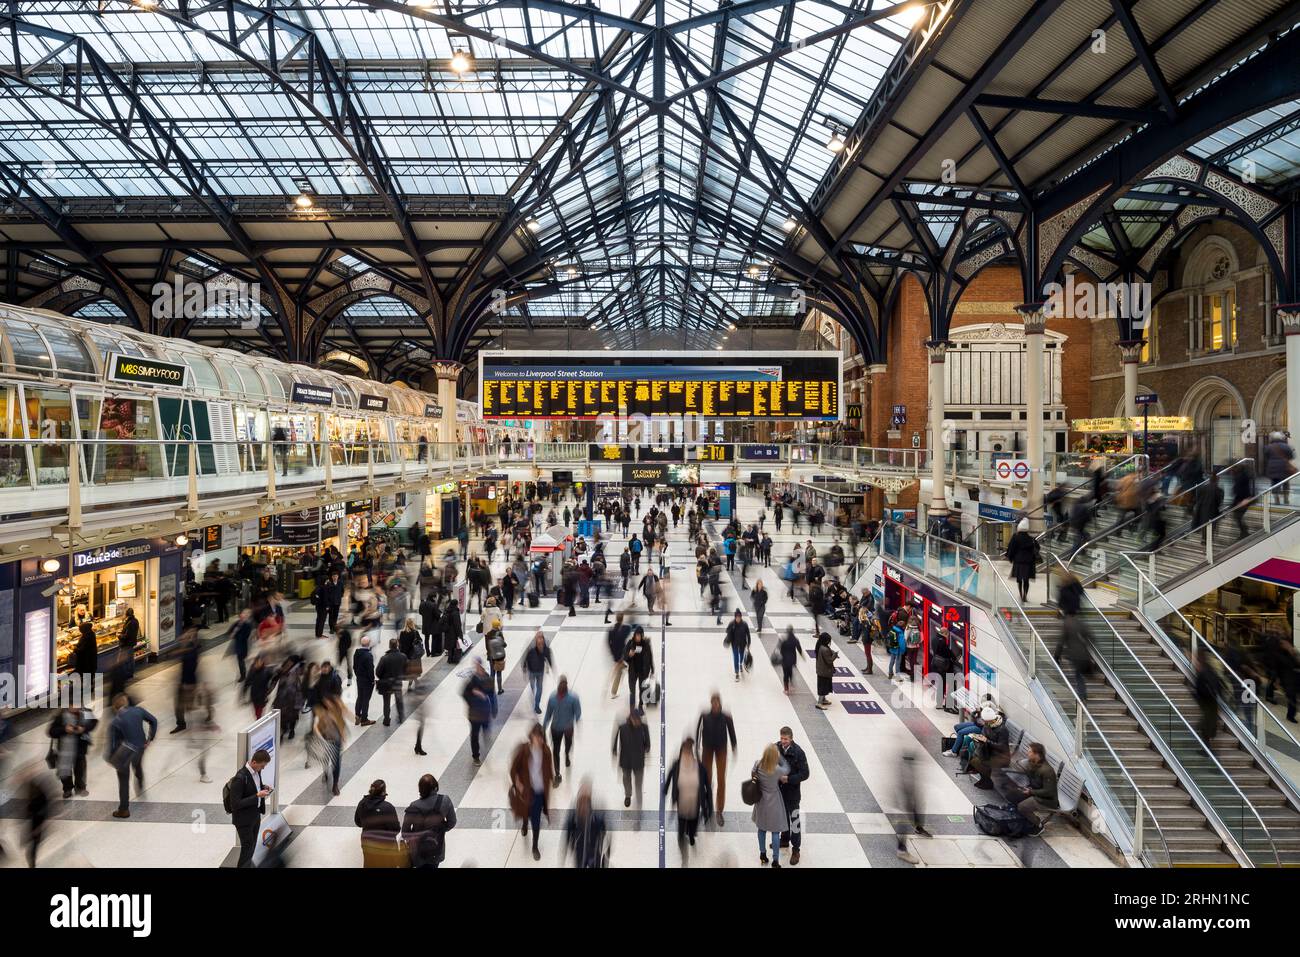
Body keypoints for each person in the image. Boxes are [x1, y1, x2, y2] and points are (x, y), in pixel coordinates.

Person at [107, 693, 158, 819]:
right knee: (138, 765)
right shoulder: (138, 711)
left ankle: (124, 810)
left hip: (124, 753)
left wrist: (111, 759)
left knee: (123, 780)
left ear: (114, 707)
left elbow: (112, 745)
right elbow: (154, 721)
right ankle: (140, 783)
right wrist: (149, 738)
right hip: (140, 747)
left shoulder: (115, 722)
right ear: (126, 703)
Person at [663, 737, 711, 866]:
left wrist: (709, 807)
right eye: (684, 752)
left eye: (688, 752)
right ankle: (685, 858)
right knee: (680, 834)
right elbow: (669, 777)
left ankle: (691, 835)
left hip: (695, 804)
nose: (686, 755)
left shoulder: (699, 767)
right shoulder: (676, 765)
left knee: (692, 828)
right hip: (682, 804)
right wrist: (666, 790)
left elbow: (707, 786)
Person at [509, 723, 554, 862]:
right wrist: (518, 784)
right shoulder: (524, 750)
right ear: (531, 736)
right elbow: (513, 770)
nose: (538, 740)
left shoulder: (546, 751)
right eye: (536, 737)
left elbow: (549, 770)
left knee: (536, 819)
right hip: (527, 790)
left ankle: (534, 846)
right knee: (525, 811)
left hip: (539, 792)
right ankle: (524, 823)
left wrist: (551, 782)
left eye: (541, 737)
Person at [696, 693, 737, 826]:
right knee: (707, 780)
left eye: (717, 704)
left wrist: (734, 747)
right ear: (711, 704)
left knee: (721, 780)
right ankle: (707, 808)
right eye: (713, 704)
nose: (715, 706)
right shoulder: (704, 716)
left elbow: (732, 732)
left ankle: (719, 810)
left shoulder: (726, 717)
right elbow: (698, 732)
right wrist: (696, 747)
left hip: (721, 750)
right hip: (707, 749)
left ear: (720, 704)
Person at [228, 748, 272, 867]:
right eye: (262, 766)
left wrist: (263, 787)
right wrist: (257, 795)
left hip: (255, 815)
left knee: (252, 846)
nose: (263, 769)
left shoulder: (257, 772)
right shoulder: (240, 778)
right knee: (247, 848)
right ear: (254, 763)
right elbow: (235, 804)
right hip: (243, 820)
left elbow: (255, 787)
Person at [402, 773, 457, 869]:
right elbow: (452, 822)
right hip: (437, 847)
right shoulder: (445, 800)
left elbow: (405, 833)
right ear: (436, 787)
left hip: (418, 852)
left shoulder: (413, 806)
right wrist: (440, 829)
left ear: (420, 789)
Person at [1004, 742, 1057, 836]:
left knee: (1022, 807)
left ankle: (1038, 825)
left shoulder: (1047, 770)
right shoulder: (1032, 763)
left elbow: (1049, 792)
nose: (1027, 753)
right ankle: (1022, 818)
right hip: (1035, 792)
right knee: (1011, 794)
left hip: (1047, 800)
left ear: (1037, 754)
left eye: (1029, 752)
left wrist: (1031, 791)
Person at [750, 743, 789, 867]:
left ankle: (762, 855)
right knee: (775, 832)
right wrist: (780, 758)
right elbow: (787, 768)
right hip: (774, 802)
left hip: (761, 801)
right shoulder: (776, 769)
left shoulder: (758, 764)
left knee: (761, 829)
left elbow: (753, 774)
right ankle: (775, 861)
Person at [777, 726, 810, 864]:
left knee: (795, 821)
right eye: (781, 738)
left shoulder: (799, 753)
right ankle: (784, 840)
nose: (783, 741)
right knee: (783, 817)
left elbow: (805, 774)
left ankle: (796, 850)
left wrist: (789, 779)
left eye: (785, 739)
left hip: (793, 793)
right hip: (779, 792)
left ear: (791, 738)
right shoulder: (776, 748)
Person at [49, 704, 96, 799]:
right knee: (65, 770)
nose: (75, 707)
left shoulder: (86, 712)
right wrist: (64, 729)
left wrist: (84, 728)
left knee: (80, 768)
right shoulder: (61, 715)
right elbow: (51, 731)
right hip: (64, 749)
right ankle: (67, 789)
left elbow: (94, 723)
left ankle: (80, 787)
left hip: (80, 747)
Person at [543, 676, 582, 785]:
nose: (562, 687)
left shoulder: (573, 698)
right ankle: (557, 773)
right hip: (555, 729)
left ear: (567, 686)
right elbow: (548, 714)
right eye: (560, 685)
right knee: (555, 751)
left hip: (568, 729)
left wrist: (577, 722)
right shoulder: (552, 698)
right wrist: (544, 726)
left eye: (564, 685)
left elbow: (578, 712)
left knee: (568, 745)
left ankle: (567, 754)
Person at [612, 708, 650, 818]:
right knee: (626, 778)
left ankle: (639, 803)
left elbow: (647, 741)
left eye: (639, 720)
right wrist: (614, 750)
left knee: (638, 783)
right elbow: (616, 739)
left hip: (638, 761)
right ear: (631, 718)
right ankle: (628, 795)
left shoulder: (644, 728)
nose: (638, 722)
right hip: (626, 760)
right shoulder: (623, 728)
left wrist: (647, 747)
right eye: (636, 720)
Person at [462, 658, 494, 766]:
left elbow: (492, 694)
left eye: (478, 665)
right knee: (474, 736)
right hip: (474, 714)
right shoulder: (472, 681)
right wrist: (474, 697)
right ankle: (476, 756)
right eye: (475, 665)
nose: (476, 667)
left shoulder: (487, 678)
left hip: (485, 712)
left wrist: (494, 708)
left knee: (486, 732)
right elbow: (464, 694)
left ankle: (486, 746)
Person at [375, 637, 408, 727]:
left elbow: (378, 672)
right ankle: (401, 716)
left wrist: (383, 677)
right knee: (399, 699)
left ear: (389, 646)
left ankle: (386, 719)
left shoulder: (384, 658)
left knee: (386, 702)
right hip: (397, 682)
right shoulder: (403, 656)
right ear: (397, 645)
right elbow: (406, 669)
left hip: (387, 683)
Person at [1005, 518, 1039, 604]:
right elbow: (1038, 547)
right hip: (1029, 562)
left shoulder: (1016, 537)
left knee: (1019, 580)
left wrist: (1010, 558)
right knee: (1026, 580)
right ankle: (1025, 596)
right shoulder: (1031, 538)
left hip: (1018, 561)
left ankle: (1020, 595)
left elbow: (1011, 548)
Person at [1194, 645, 1222, 744]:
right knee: (1208, 721)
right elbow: (1218, 683)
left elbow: (1200, 685)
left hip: (1207, 700)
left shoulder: (1203, 670)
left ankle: (1206, 747)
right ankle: (1206, 743)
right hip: (1212, 699)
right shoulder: (1209, 668)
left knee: (1206, 722)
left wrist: (1197, 695)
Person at [624, 626, 654, 711]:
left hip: (643, 671)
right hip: (633, 671)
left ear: (642, 635)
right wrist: (629, 655)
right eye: (636, 635)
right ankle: (632, 706)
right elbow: (624, 657)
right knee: (632, 690)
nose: (637, 637)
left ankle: (640, 705)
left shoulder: (646, 644)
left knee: (642, 689)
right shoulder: (630, 643)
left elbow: (650, 656)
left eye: (639, 635)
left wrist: (652, 669)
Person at [525, 630, 553, 715]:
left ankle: (536, 705)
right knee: (533, 688)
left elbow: (548, 657)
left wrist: (551, 667)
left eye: (541, 638)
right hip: (532, 671)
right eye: (538, 639)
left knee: (539, 689)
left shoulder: (546, 649)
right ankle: (534, 700)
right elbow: (526, 658)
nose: (540, 641)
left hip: (540, 671)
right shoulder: (531, 649)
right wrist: (524, 667)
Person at [352, 634, 376, 726]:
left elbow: (354, 666)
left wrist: (358, 675)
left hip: (359, 679)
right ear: (369, 643)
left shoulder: (357, 653)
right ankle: (364, 719)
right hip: (367, 681)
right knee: (366, 699)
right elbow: (370, 670)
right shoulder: (368, 656)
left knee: (360, 697)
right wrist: (372, 680)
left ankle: (358, 715)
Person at [607, 612, 630, 698]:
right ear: (622, 619)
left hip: (617, 656)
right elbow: (629, 628)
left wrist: (613, 654)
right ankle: (613, 691)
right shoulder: (624, 629)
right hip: (622, 655)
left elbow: (609, 643)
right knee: (618, 672)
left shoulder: (611, 630)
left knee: (619, 671)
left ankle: (613, 691)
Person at [315, 570, 343, 639]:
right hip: (329, 604)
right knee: (328, 617)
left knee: (335, 615)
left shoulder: (340, 583)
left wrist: (339, 597)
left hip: (337, 602)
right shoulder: (327, 585)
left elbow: (342, 591)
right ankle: (330, 629)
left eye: (336, 576)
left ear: (338, 576)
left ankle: (333, 628)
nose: (335, 577)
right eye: (333, 576)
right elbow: (325, 596)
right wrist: (327, 605)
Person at [724, 609, 751, 681]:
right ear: (735, 617)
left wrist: (749, 644)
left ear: (741, 617)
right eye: (737, 617)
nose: (738, 619)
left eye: (739, 617)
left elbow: (748, 635)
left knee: (741, 656)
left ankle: (740, 664)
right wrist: (730, 630)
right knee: (736, 657)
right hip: (734, 644)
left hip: (742, 644)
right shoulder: (732, 624)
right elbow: (727, 630)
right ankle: (737, 673)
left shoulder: (744, 624)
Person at [814, 631, 837, 710]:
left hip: (821, 670)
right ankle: (819, 703)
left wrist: (831, 652)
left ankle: (823, 700)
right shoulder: (824, 649)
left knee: (824, 686)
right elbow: (829, 661)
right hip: (825, 671)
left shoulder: (820, 646)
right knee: (823, 687)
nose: (829, 642)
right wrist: (835, 655)